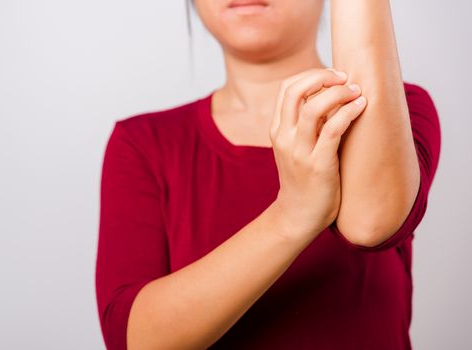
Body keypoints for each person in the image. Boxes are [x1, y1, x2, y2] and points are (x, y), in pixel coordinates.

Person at [95, 0, 441, 349]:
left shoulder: (398, 111)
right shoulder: (143, 143)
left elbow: (372, 223)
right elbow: (133, 340)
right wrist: (292, 215)